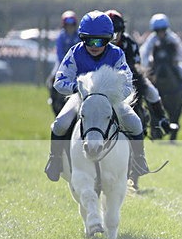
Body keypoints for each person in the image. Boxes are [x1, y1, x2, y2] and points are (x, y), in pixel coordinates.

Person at [44, 11, 149, 182]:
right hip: (81, 98)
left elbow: (128, 84)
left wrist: (112, 96)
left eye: (99, 41)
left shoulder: (117, 54)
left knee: (136, 123)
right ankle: (54, 160)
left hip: (110, 100)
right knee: (60, 124)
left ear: (109, 39)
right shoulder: (74, 53)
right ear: (82, 38)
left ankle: (139, 160)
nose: (93, 45)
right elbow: (59, 81)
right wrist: (77, 89)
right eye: (88, 40)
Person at [105, 9, 178, 140]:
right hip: (103, 82)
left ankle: (162, 120)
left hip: (129, 78)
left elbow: (136, 65)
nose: (114, 37)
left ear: (122, 30)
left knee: (152, 91)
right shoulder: (98, 44)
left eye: (117, 32)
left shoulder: (130, 43)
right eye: (111, 33)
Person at [139, 13, 182, 101]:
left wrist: (177, 60)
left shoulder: (172, 38)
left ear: (166, 29)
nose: (160, 32)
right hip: (156, 63)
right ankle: (143, 94)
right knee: (145, 75)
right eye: (158, 30)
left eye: (163, 30)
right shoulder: (152, 39)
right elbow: (144, 52)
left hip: (171, 62)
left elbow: (181, 51)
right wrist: (146, 64)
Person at [47, 10, 81, 112]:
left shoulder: (79, 36)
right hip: (63, 62)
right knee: (51, 79)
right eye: (67, 25)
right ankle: (53, 97)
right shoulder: (61, 36)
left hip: (77, 63)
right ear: (64, 25)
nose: (70, 27)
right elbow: (60, 53)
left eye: (72, 25)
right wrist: (66, 65)